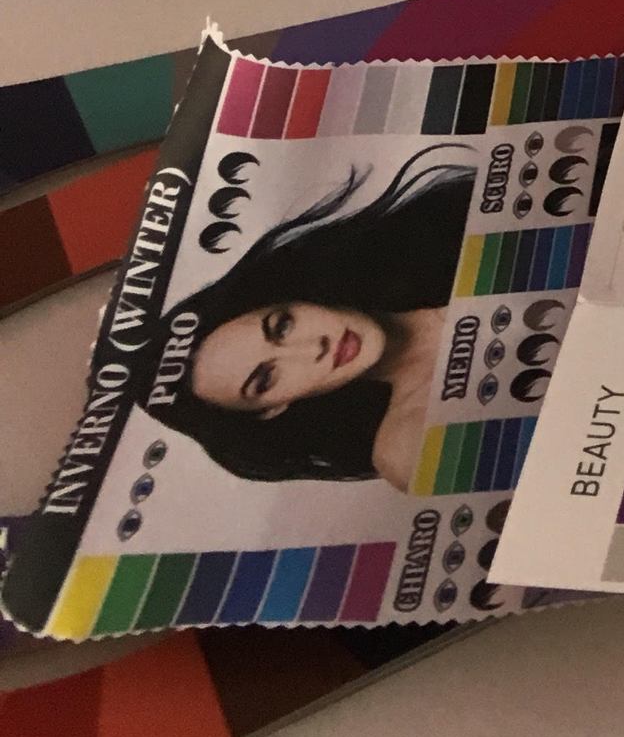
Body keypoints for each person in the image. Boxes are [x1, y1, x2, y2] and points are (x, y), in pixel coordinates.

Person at [160, 150, 474, 488]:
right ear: (274, 408)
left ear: (291, 299)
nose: (314, 348)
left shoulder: (447, 230)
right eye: (266, 379)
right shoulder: (406, 446)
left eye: (282, 326)